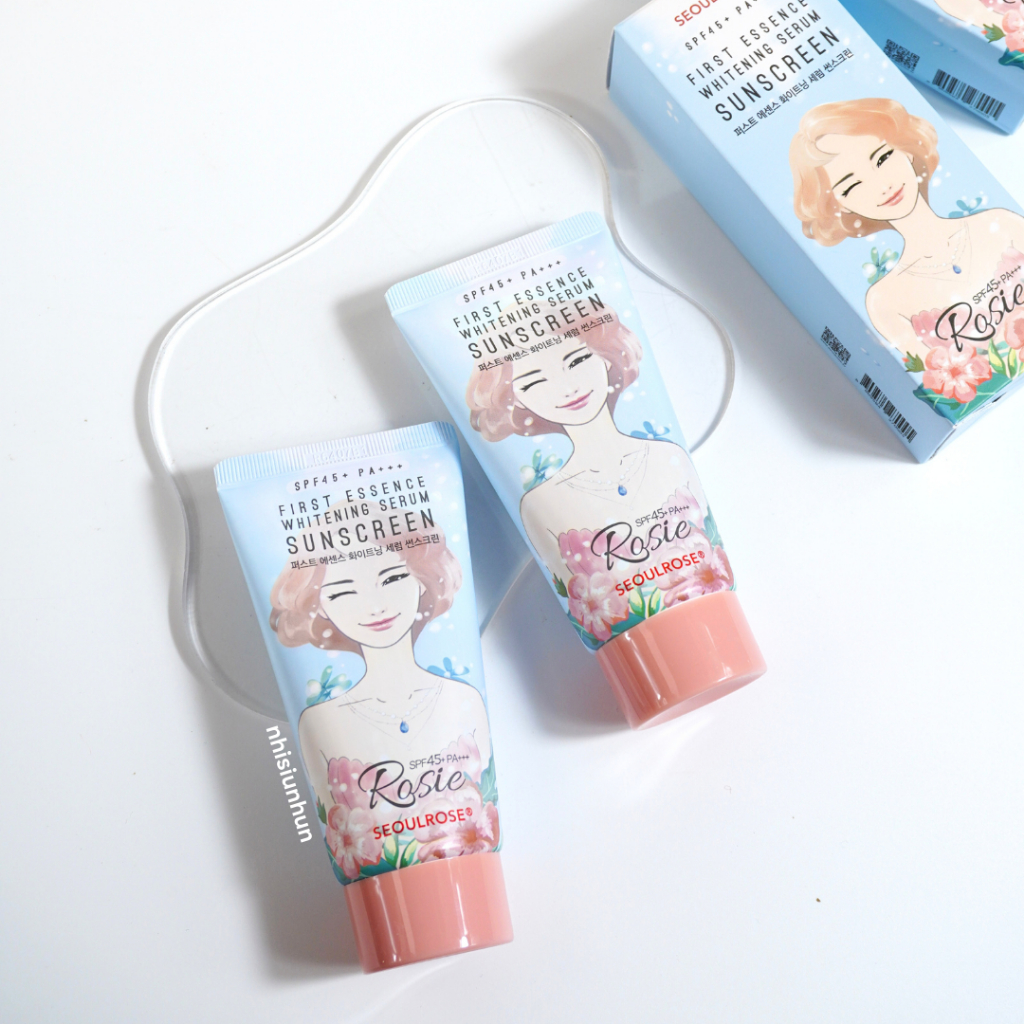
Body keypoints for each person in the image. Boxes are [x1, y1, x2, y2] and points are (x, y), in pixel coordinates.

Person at [791, 97, 1024, 400]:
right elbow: (944, 392)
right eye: (852, 186)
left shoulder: (1001, 223)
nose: (882, 185)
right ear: (840, 205)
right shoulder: (884, 301)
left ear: (907, 149)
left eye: (882, 159)